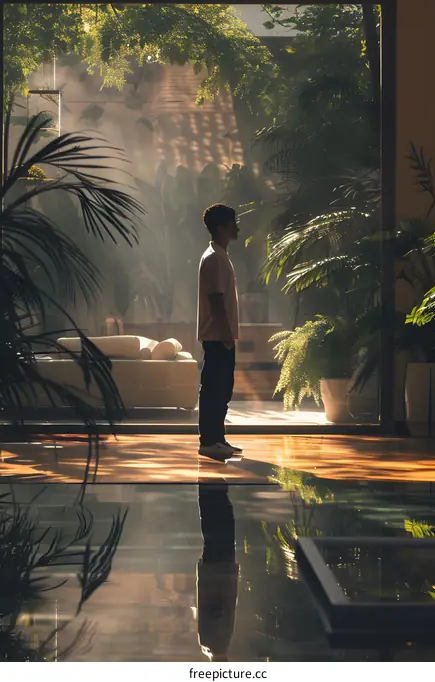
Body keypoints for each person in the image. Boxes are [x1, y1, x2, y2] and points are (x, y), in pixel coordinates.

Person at [197, 203, 243, 461]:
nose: (236, 227)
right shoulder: (214, 258)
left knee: (222, 389)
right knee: (215, 388)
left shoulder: (219, 255)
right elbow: (216, 299)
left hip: (220, 336)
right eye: (232, 223)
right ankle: (209, 441)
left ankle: (217, 438)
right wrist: (226, 334)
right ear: (221, 227)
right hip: (217, 337)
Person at [197, 483, 239, 661]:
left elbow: (218, 611)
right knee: (214, 529)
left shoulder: (216, 644)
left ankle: (213, 489)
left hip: (220, 573)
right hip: (214, 573)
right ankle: (209, 490)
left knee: (221, 529)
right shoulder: (208, 645)